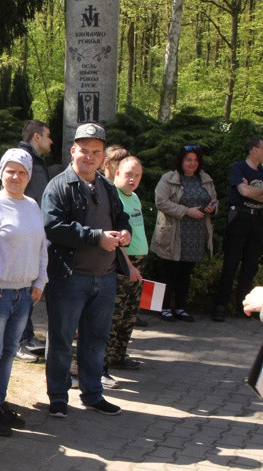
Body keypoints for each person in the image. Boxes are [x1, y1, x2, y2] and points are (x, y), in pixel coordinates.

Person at [41, 123, 132, 418]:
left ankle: (92, 394)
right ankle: (58, 397)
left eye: (96, 152)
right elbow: (52, 227)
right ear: (73, 151)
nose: (89, 156)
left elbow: (121, 216)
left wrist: (125, 232)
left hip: (104, 279)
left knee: (96, 341)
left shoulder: (106, 186)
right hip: (69, 278)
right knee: (61, 341)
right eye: (84, 150)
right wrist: (96, 237)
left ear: (103, 155)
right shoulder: (58, 186)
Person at [0, 149, 47, 437]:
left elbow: (41, 246)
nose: (15, 176)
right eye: (10, 170)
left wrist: (41, 280)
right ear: (1, 173)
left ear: (29, 176)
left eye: (22, 172)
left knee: (9, 352)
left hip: (25, 294)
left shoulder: (31, 205)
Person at [149, 144, 217, 322]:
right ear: (181, 161)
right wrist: (187, 211)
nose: (192, 163)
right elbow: (161, 202)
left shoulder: (205, 179)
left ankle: (180, 307)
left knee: (185, 274)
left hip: (195, 234)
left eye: (195, 160)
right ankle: (163, 308)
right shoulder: (168, 178)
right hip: (173, 233)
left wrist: (212, 207)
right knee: (169, 273)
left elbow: (215, 199)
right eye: (188, 160)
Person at [103, 157, 147, 388]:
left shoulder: (135, 197)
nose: (132, 179)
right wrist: (128, 266)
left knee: (129, 315)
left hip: (139, 263)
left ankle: (119, 356)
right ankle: (103, 364)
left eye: (137, 175)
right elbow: (117, 239)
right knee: (114, 315)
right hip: (123, 264)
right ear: (117, 173)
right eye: (128, 174)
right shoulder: (114, 196)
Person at [212, 137, 263, 322]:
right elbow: (243, 192)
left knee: (250, 265)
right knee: (231, 263)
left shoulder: (262, 171)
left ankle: (244, 307)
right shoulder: (238, 167)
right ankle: (220, 306)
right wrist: (252, 191)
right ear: (254, 149)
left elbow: (248, 191)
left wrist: (249, 189)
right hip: (239, 217)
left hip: (258, 219)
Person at [17, 120, 54, 357]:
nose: (51, 141)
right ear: (36, 137)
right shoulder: (24, 158)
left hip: (35, 231)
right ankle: (20, 340)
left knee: (30, 284)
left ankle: (26, 336)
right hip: (24, 233)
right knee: (23, 286)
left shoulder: (35, 159)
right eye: (48, 136)